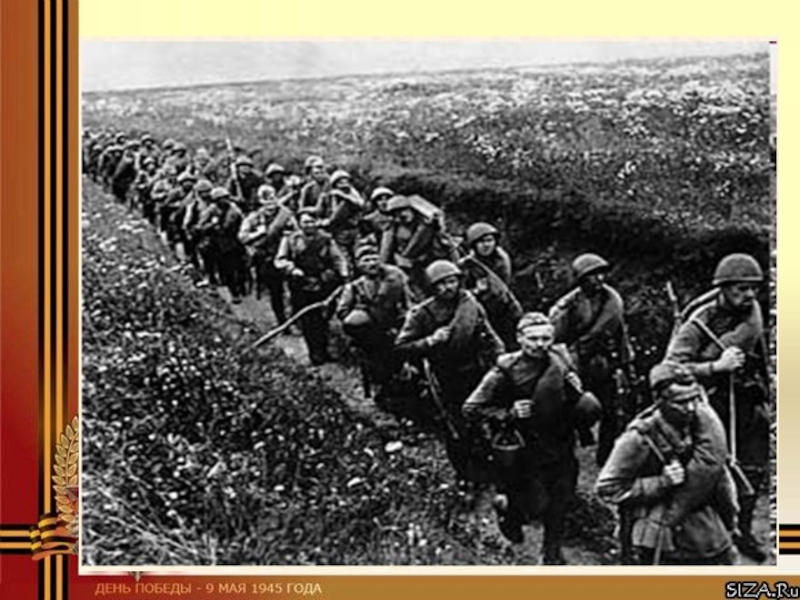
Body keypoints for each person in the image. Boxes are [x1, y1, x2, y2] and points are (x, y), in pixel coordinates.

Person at [463, 312, 601, 564]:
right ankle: (508, 512)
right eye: (533, 338)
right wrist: (508, 413)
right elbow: (471, 408)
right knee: (533, 505)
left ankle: (551, 555)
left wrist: (577, 391)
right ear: (519, 338)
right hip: (525, 449)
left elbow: (573, 401)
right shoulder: (505, 370)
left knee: (561, 500)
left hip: (560, 442)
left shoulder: (561, 360)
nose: (540, 344)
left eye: (546, 338)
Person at [664, 253, 771, 562]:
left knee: (753, 466)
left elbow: (762, 356)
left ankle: (743, 530)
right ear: (723, 288)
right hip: (708, 401)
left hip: (748, 398)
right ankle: (706, 535)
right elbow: (671, 368)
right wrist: (715, 366)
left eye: (754, 288)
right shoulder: (699, 321)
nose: (749, 295)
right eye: (741, 288)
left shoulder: (752, 315)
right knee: (711, 471)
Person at [595, 362, 739, 565]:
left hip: (708, 531)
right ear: (659, 401)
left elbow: (718, 475)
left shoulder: (701, 426)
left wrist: (730, 519)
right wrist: (662, 482)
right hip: (661, 538)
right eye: (681, 402)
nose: (690, 408)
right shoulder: (639, 437)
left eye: (694, 399)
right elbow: (608, 488)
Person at [395, 260, 504, 482]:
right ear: (432, 287)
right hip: (446, 376)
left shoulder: (470, 305)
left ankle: (491, 469)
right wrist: (430, 340)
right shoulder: (421, 313)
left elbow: (490, 336)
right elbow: (401, 347)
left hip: (477, 370)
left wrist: (500, 361)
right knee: (455, 427)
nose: (448, 287)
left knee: (486, 418)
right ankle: (464, 475)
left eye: (452, 281)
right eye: (441, 284)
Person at [548, 253, 634, 467]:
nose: (599, 279)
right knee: (576, 409)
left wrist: (626, 363)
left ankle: (606, 456)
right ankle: (573, 448)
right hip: (576, 364)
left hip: (604, 363)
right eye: (592, 275)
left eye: (601, 274)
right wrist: (565, 370)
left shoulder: (612, 301)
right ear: (581, 279)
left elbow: (620, 334)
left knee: (612, 412)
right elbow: (555, 342)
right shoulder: (567, 306)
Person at [336, 243, 412, 399]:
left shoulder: (395, 278)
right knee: (376, 361)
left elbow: (409, 302)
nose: (371, 263)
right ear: (359, 264)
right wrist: (361, 313)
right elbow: (342, 312)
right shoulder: (355, 287)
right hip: (370, 334)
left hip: (395, 327)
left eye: (374, 259)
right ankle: (381, 389)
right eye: (366, 260)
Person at [275, 208, 349, 365]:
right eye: (305, 222)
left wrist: (343, 274)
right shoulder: (291, 239)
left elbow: (338, 258)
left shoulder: (326, 239)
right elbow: (280, 260)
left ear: (317, 222)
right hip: (301, 284)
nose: (309, 225)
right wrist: (292, 269)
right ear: (300, 223)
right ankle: (314, 353)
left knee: (323, 319)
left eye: (312, 221)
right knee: (308, 320)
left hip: (322, 283)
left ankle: (324, 350)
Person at [458, 222, 522, 350]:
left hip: (501, 308)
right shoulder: (468, 264)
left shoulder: (501, 261)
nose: (486, 245)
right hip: (476, 307)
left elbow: (499, 289)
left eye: (489, 240)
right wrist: (476, 291)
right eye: (481, 242)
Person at [238, 184, 297, 323]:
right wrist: (259, 233)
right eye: (266, 200)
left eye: (272, 198)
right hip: (267, 258)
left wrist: (289, 238)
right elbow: (242, 237)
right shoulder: (254, 217)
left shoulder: (286, 215)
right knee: (275, 292)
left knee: (294, 289)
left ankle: (295, 317)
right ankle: (282, 320)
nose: (270, 203)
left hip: (288, 257)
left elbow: (297, 233)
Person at [380, 194, 458, 299]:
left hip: (431, 263)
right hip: (409, 269)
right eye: (396, 213)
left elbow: (444, 243)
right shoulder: (392, 229)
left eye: (404, 210)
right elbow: (386, 251)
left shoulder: (426, 225)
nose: (402, 214)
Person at [196, 187, 247, 303]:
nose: (224, 201)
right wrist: (212, 226)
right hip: (215, 241)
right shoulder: (211, 210)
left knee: (232, 269)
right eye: (220, 199)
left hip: (231, 242)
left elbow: (242, 225)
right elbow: (200, 226)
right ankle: (213, 283)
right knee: (210, 260)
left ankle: (236, 292)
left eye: (226, 198)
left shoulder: (235, 211)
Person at [318, 169, 366, 268]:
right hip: (339, 231)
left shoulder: (353, 194)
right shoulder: (329, 197)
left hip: (354, 230)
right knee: (343, 259)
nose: (344, 185)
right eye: (340, 182)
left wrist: (344, 196)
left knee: (359, 255)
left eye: (346, 182)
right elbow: (323, 213)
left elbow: (360, 204)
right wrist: (325, 221)